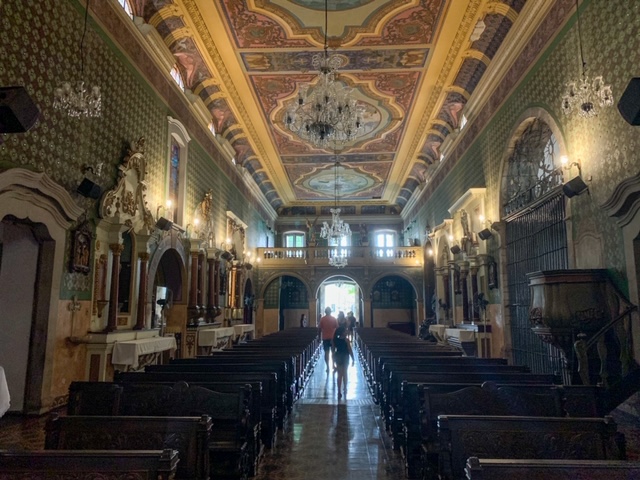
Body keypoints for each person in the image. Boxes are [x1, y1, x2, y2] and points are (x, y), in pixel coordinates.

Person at [332, 316, 354, 399]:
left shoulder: (335, 340)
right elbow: (349, 349)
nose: (346, 332)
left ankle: (339, 390)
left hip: (338, 356)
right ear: (342, 332)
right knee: (345, 373)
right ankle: (345, 388)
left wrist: (333, 362)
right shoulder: (346, 340)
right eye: (345, 331)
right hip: (345, 357)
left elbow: (333, 351)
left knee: (339, 374)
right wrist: (353, 359)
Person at [318, 307, 338, 374]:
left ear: (325, 312)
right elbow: (337, 328)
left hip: (325, 338)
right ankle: (333, 365)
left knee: (326, 353)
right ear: (330, 312)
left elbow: (319, 329)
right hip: (333, 338)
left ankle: (327, 367)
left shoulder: (322, 319)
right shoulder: (334, 319)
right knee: (333, 352)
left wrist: (318, 337)